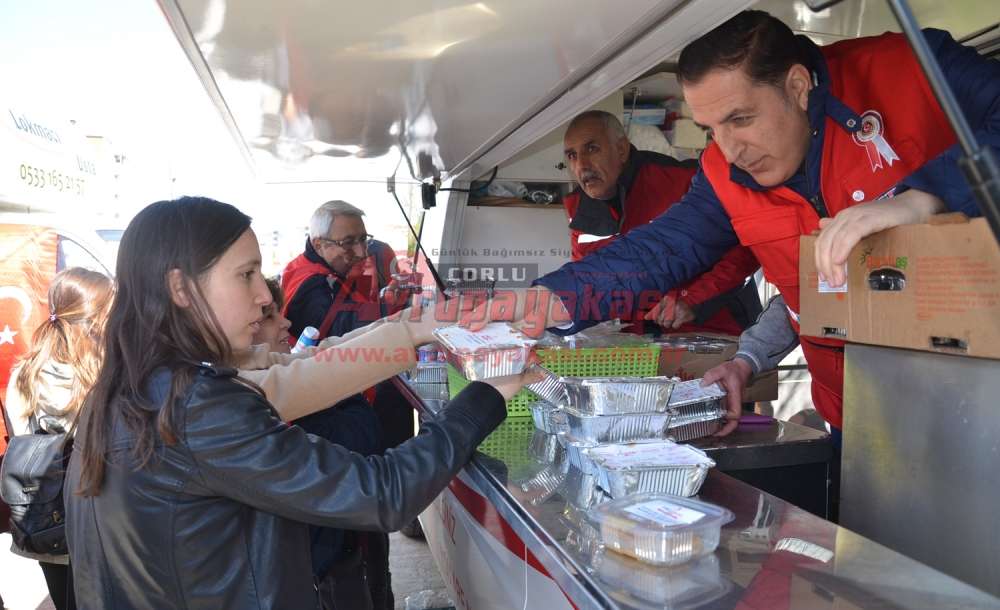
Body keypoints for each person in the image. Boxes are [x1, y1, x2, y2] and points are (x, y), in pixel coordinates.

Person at [482, 10, 998, 438]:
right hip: (860, 424)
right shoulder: (722, 172)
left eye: (740, 119)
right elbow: (658, 253)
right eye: (709, 129)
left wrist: (925, 198)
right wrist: (532, 306)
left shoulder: (909, 70)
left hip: (976, 414)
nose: (729, 149)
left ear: (797, 86)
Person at [65, 196, 535, 609]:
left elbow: (303, 364)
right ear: (181, 289)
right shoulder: (198, 407)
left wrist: (417, 325)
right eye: (246, 275)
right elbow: (382, 492)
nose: (262, 295)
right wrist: (486, 396)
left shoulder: (132, 387)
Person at [561, 110, 761, 334]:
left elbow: (747, 248)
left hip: (720, 330)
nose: (582, 165)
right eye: (572, 156)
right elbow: (590, 280)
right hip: (642, 343)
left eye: (592, 149)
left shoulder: (685, 181)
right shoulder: (578, 207)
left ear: (621, 149)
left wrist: (693, 299)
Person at [252, 278, 387, 610]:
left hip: (338, 542)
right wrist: (342, 389)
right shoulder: (264, 400)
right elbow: (361, 439)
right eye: (269, 317)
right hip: (325, 555)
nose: (286, 322)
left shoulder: (281, 373)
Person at [4, 267, 114, 610]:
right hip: (96, 521)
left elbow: (20, 438)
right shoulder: (104, 374)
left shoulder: (25, 371)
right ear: (96, 320)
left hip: (43, 518)